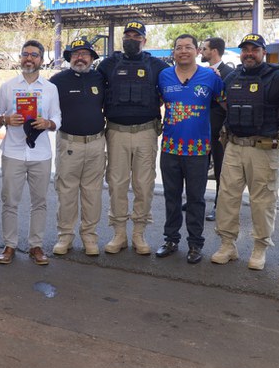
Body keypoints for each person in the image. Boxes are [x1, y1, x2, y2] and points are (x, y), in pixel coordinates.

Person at [211, 33, 279, 270]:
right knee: (227, 197)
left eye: (254, 49)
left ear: (263, 52)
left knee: (263, 201)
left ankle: (260, 247)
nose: (249, 54)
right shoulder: (232, 76)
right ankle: (227, 245)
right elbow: (223, 102)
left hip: (264, 149)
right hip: (234, 146)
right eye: (245, 49)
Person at [97, 20, 169, 254]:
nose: (131, 39)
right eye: (127, 36)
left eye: (136, 36)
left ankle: (139, 234)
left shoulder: (157, 66)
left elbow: (176, 85)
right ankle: (119, 234)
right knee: (116, 185)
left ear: (144, 40)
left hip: (146, 132)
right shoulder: (108, 64)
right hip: (116, 132)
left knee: (144, 185)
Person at [155, 34, 224, 264]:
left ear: (197, 51)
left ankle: (195, 244)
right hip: (170, 148)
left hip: (198, 150)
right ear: (173, 52)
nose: (183, 51)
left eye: (188, 47)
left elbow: (224, 102)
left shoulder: (210, 76)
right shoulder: (163, 76)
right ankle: (171, 240)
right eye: (178, 47)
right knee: (171, 198)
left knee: (196, 199)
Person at [0, 39, 61, 265]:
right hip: (13, 152)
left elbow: (58, 117)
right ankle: (9, 245)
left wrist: (49, 123)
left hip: (40, 154)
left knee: (39, 201)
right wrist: (5, 119)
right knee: (10, 201)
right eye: (25, 54)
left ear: (42, 60)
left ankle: (36, 246)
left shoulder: (51, 89)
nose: (29, 58)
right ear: (20, 58)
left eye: (34, 55)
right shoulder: (8, 86)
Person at [49, 38, 105, 256]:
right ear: (69, 58)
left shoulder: (101, 78)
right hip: (68, 143)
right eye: (75, 54)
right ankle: (65, 237)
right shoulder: (57, 81)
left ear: (92, 58)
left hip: (96, 143)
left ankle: (90, 237)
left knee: (92, 193)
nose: (80, 58)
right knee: (66, 192)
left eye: (85, 54)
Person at [199, 37, 234, 221]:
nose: (201, 52)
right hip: (202, 131)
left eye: (204, 49)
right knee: (200, 168)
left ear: (213, 51)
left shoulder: (229, 73)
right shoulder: (202, 72)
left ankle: (218, 206)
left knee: (221, 170)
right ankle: (196, 201)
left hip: (220, 132)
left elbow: (229, 103)